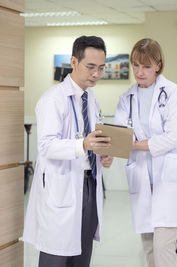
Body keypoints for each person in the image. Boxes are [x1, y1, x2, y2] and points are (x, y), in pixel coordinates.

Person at [23, 36, 114, 267]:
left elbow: (92, 139)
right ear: (74, 61)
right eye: (90, 67)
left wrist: (102, 154)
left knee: (82, 255)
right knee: (56, 255)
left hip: (88, 185)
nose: (96, 74)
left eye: (101, 68)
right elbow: (46, 146)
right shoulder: (53, 99)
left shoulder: (91, 100)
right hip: (61, 186)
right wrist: (83, 145)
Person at [114, 38, 177, 267]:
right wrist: (111, 149)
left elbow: (172, 137)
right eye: (135, 65)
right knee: (149, 249)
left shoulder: (171, 92)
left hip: (167, 180)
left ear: (158, 65)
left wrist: (135, 144)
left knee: (163, 248)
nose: (139, 71)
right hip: (142, 178)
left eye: (146, 66)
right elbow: (119, 135)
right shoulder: (126, 97)